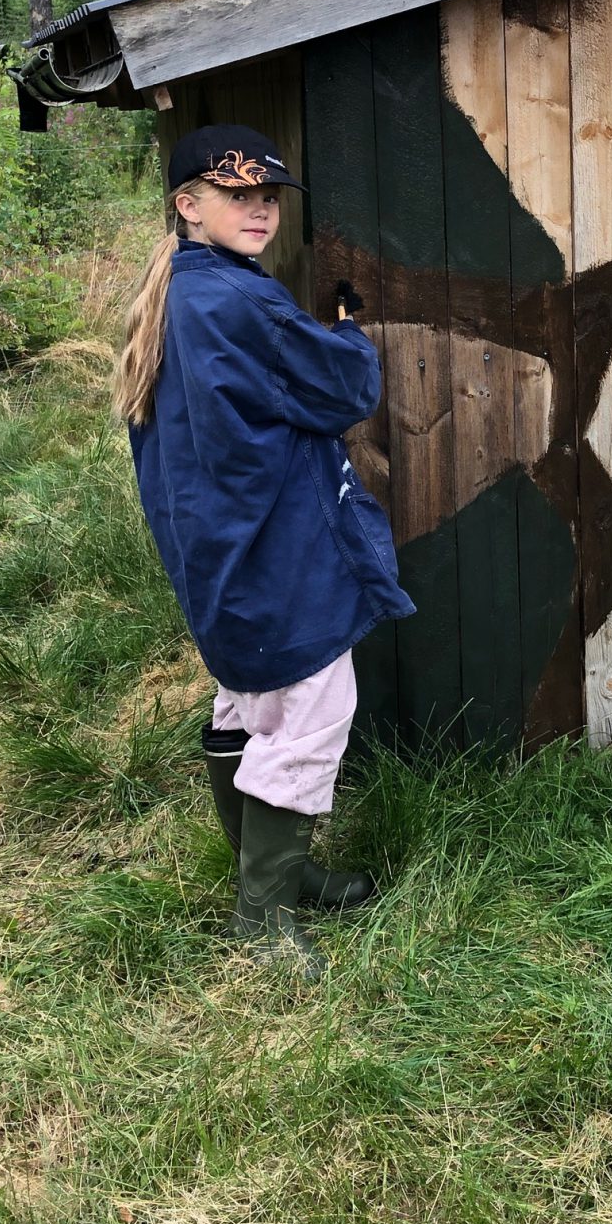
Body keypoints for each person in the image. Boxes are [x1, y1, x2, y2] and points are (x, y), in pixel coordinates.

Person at [113, 124, 414, 975]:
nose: (259, 210)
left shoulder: (180, 289)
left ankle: (280, 873)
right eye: (236, 194)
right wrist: (349, 332)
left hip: (216, 545)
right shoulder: (238, 300)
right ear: (188, 204)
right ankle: (264, 917)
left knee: (249, 700)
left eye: (268, 195)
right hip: (270, 542)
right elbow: (342, 387)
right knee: (314, 711)